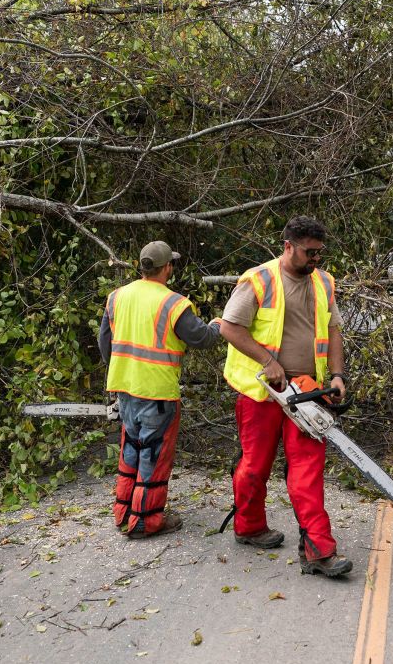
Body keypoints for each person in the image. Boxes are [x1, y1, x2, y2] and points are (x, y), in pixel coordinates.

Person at [219, 216, 353, 578]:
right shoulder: (259, 280)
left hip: (308, 391)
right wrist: (267, 360)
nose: (315, 260)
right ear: (288, 246)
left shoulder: (324, 282)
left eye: (319, 254)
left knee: (307, 469)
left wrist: (337, 375)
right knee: (254, 465)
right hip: (263, 391)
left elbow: (333, 329)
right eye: (309, 253)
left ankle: (318, 550)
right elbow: (229, 327)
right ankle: (249, 526)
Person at [99, 241, 223, 538]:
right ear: (167, 267)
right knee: (153, 456)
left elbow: (106, 346)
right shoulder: (173, 303)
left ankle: (124, 511)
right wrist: (218, 326)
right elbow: (201, 337)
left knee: (131, 450)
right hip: (157, 391)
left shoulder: (116, 297)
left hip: (125, 388)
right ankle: (145, 520)